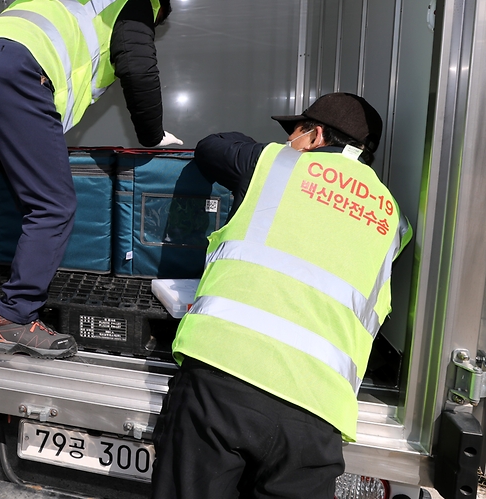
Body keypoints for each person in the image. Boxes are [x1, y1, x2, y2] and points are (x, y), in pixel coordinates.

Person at [150, 92, 413, 499]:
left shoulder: (272, 164)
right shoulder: (394, 219)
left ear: (316, 135)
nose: (289, 140)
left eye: (294, 130)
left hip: (223, 380)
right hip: (317, 413)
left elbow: (211, 147)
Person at [0, 0, 181, 359]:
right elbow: (137, 65)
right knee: (53, 205)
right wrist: (152, 135)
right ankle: (13, 318)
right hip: (16, 67)